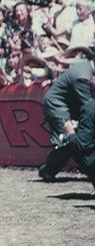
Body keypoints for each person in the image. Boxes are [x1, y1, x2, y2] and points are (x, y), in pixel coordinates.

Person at [38, 53, 93, 181]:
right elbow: (90, 108)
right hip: (57, 105)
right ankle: (48, 169)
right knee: (68, 140)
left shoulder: (86, 69)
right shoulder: (83, 76)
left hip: (70, 104)